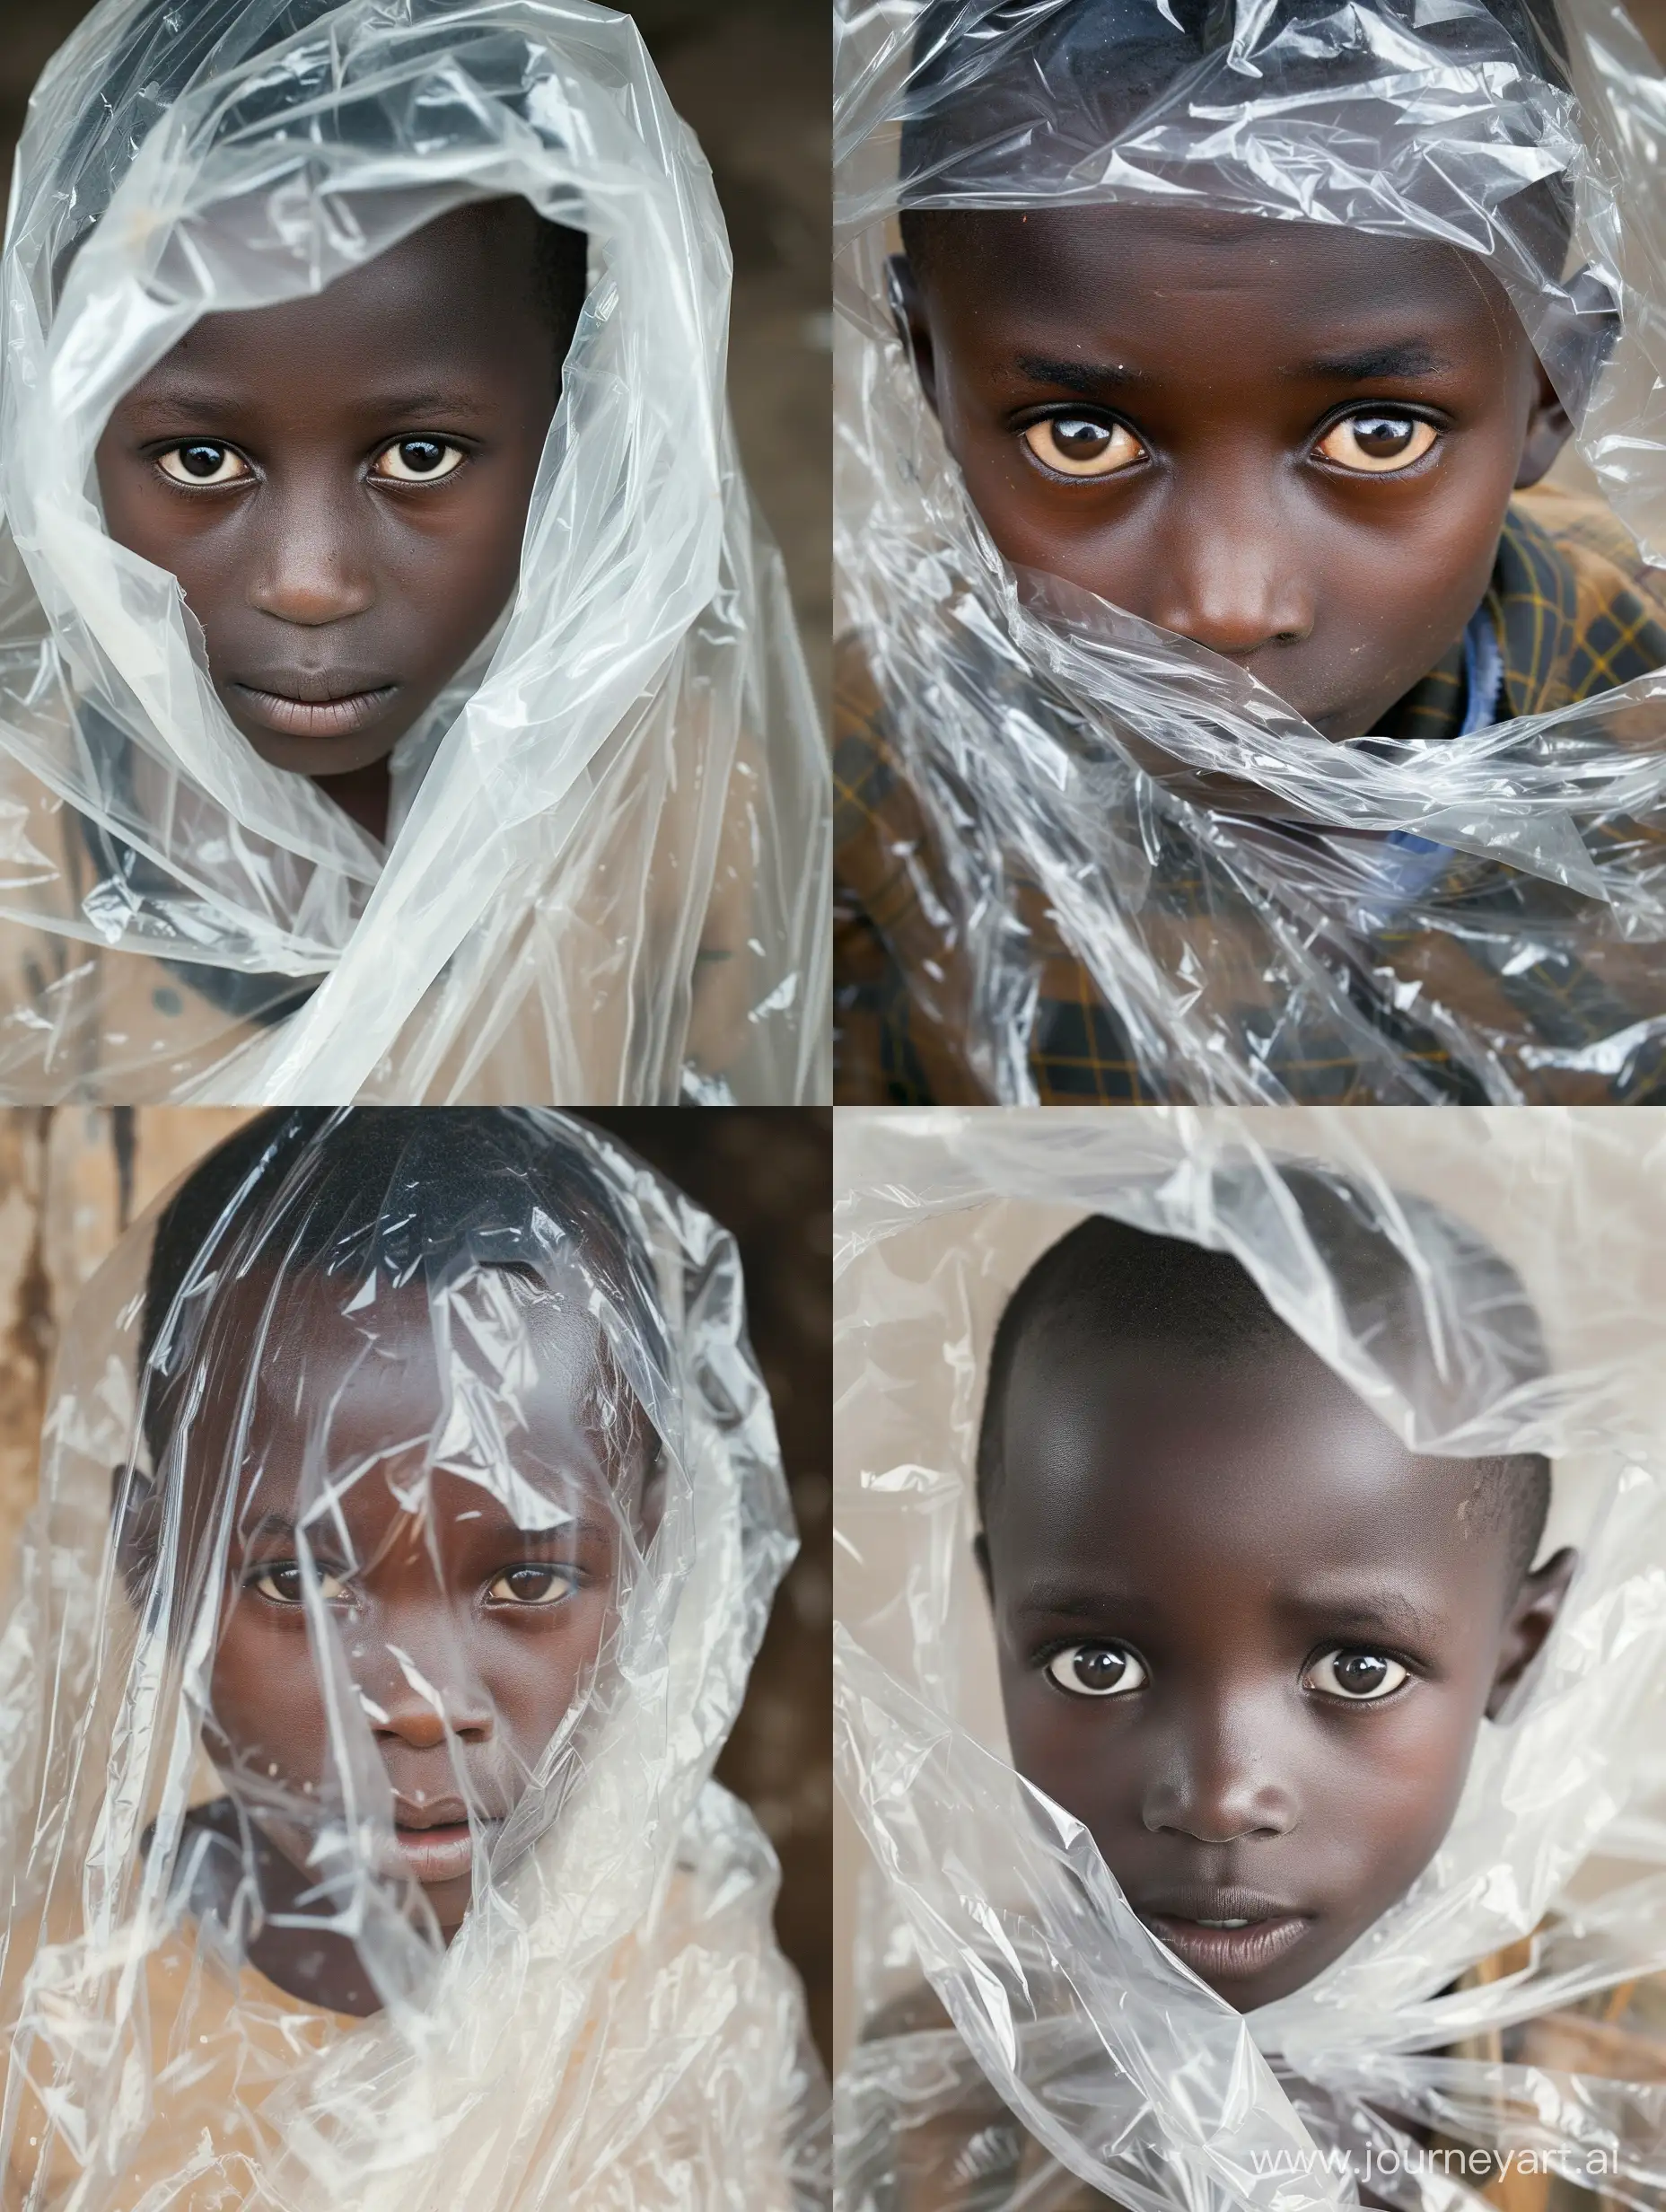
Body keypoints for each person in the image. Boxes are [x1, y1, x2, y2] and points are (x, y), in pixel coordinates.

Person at [832, 0, 1666, 1105]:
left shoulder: (1639, 697)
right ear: (930, 372)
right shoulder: (881, 754)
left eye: (1378, 433)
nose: (1227, 604)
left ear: (1550, 392)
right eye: (1080, 437)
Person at [0, 0, 828, 1103]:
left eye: (421, 456)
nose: (308, 582)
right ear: (69, 435)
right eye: (201, 461)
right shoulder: (25, 854)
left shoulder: (681, 801)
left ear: (579, 426)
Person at [0, 1110, 823, 2208]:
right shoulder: (49, 2022)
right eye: (298, 1582)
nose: (422, 1703)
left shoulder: (688, 1981)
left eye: (526, 1582)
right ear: (151, 1567)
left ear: (650, 1568)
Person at [840, 1163, 1666, 2211]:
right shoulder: (931, 2090)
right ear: (996, 1604)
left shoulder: (1626, 2086)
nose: (1219, 1795)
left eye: (1354, 1669)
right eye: (1099, 1663)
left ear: (1518, 1647)